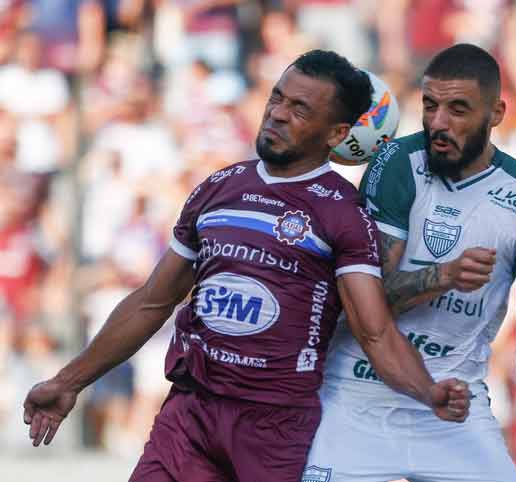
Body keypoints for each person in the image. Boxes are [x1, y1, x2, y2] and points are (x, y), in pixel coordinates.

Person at [22, 50, 472, 482]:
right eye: (277, 97)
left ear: (336, 134)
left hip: (273, 428)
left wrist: (428, 391)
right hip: (190, 415)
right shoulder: (219, 187)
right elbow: (151, 302)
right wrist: (68, 382)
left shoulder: (343, 214)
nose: (277, 114)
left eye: (299, 109)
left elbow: (374, 332)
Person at [304, 44, 516, 482]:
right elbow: (366, 302)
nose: (438, 122)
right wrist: (444, 276)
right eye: (430, 105)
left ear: (496, 113)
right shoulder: (396, 164)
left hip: (454, 410)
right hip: (356, 398)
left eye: (458, 110)